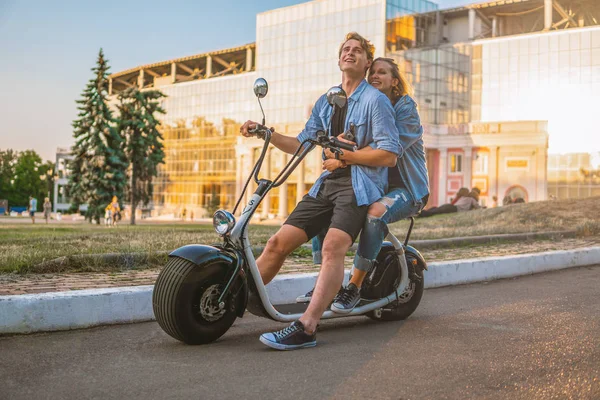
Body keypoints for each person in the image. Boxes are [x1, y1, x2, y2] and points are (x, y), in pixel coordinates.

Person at [240, 32, 400, 350]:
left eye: (358, 51)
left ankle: (307, 327)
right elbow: (302, 144)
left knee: (332, 248)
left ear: (367, 62)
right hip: (326, 185)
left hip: (359, 186)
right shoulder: (327, 99)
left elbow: (390, 153)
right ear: (339, 59)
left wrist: (345, 156)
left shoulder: (375, 101)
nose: (350, 53)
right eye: (345, 49)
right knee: (275, 244)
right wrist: (265, 133)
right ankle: (232, 302)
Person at [305, 57, 429, 313]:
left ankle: (354, 286)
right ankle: (326, 282)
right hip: (372, 185)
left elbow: (388, 150)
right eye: (372, 71)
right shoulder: (364, 106)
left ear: (394, 81)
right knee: (325, 207)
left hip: (407, 189)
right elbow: (343, 143)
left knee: (375, 214)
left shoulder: (405, 109)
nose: (375, 76)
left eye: (382, 73)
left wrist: (342, 159)